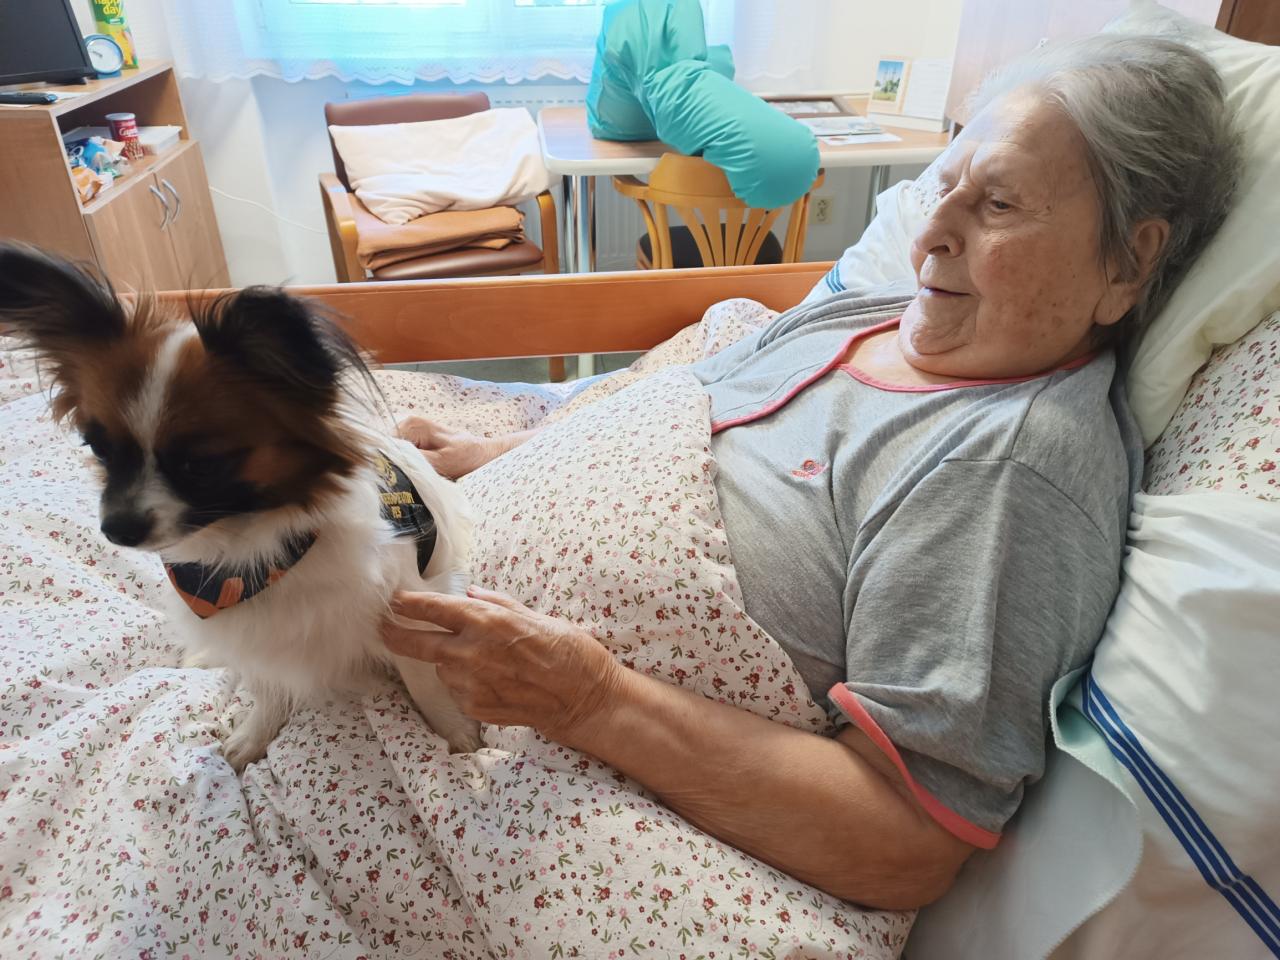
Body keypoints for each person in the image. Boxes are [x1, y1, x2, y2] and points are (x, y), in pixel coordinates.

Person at [385, 35, 1241, 911]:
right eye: (944, 186)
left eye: (998, 204)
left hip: (494, 750)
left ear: (1129, 262)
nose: (929, 236)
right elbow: (679, 405)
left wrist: (586, 699)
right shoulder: (879, 315)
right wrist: (500, 452)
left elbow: (905, 845)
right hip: (428, 596)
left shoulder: (1007, 469)